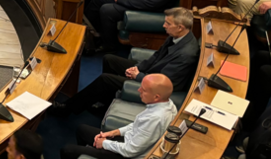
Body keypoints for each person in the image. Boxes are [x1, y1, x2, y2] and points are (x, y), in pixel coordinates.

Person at [56, 8, 197, 116]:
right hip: (151, 72)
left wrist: (139, 76)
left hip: (157, 87)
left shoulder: (186, 54)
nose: (164, 25)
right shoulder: (176, 35)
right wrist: (137, 68)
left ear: (180, 27)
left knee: (105, 80)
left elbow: (164, 83)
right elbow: (156, 56)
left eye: (168, 23)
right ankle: (106, 102)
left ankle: (67, 109)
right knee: (109, 60)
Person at [59, 74, 176, 159]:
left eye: (143, 90)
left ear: (156, 97)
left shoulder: (155, 119)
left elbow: (129, 151)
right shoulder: (168, 104)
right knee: (82, 130)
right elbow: (137, 125)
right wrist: (113, 133)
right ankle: (89, 158)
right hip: (131, 143)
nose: (139, 90)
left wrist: (104, 143)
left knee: (67, 150)